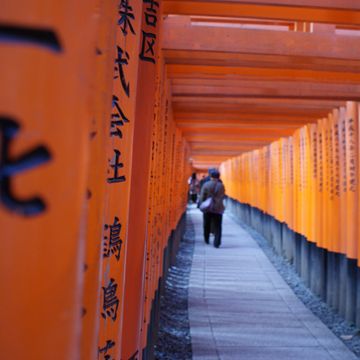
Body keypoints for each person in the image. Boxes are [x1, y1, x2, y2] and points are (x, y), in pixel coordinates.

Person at [198, 169, 225, 248]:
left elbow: (202, 196)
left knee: (206, 224)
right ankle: (217, 242)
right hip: (218, 208)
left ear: (210, 176)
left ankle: (206, 239)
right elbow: (223, 195)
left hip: (208, 207)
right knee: (218, 225)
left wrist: (202, 204)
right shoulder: (221, 185)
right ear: (218, 176)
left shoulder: (206, 185)